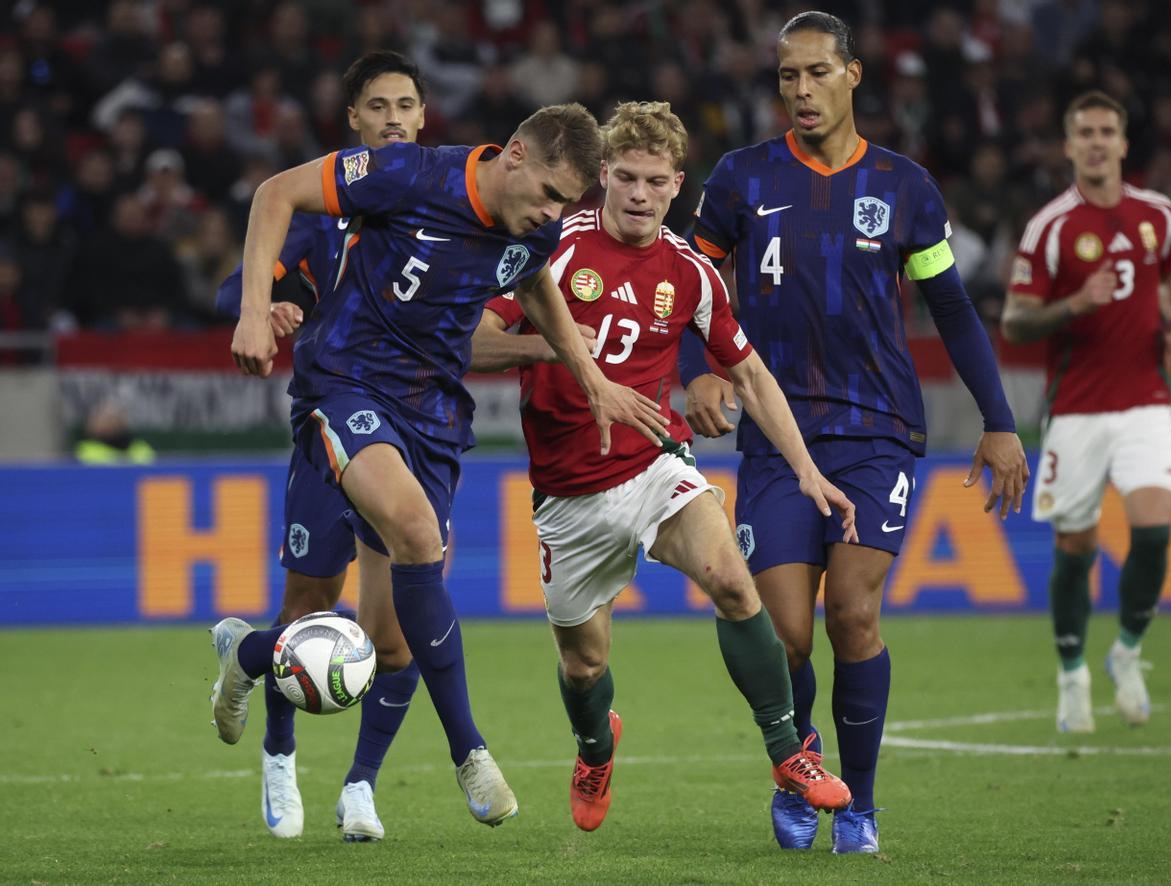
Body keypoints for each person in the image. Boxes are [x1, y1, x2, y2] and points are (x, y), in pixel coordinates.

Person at [212, 100, 671, 831]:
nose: (554, 213)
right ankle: (470, 751)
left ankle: (249, 652)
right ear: (515, 154)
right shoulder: (407, 173)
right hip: (346, 384)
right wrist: (252, 309)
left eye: (567, 203)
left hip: (434, 417)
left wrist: (591, 378)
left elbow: (534, 282)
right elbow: (277, 193)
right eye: (551, 193)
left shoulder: (532, 231)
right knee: (418, 535)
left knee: (389, 643)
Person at [679, 11, 1027, 854]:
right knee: (788, 633)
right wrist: (694, 367)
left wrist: (999, 422)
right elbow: (685, 277)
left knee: (855, 618)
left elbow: (950, 308)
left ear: (853, 76)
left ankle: (859, 807)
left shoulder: (907, 187)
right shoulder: (740, 178)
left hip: (877, 432)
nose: (800, 90)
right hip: (775, 433)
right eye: (787, 77)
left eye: (816, 74)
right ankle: (801, 769)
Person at [475, 100, 858, 836]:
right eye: (625, 178)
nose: (640, 195)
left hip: (656, 465)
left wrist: (806, 469)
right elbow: (474, 344)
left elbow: (748, 375)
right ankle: (595, 747)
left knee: (732, 580)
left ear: (677, 184)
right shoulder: (553, 246)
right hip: (566, 493)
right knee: (584, 667)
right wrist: (564, 351)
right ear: (602, 179)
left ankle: (790, 751)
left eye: (655, 181)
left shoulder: (689, 271)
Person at [214, 51, 426, 843]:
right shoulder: (319, 209)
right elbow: (251, 280)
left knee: (392, 640)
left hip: (413, 433)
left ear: (425, 116)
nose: (395, 118)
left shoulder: (446, 211)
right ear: (353, 122)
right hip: (330, 431)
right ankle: (278, 754)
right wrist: (271, 305)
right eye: (378, 106)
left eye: (406, 104)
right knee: (308, 614)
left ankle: (362, 787)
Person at [1000, 90, 1171, 734]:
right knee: (1075, 548)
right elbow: (1016, 321)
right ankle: (1071, 672)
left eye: (1108, 130)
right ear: (1070, 145)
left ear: (1124, 143)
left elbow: (1169, 280)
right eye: (1086, 132)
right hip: (1076, 410)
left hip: (1146, 402)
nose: (1099, 141)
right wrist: (1075, 304)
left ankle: (1127, 652)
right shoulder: (1050, 227)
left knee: (1155, 531)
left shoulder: (1158, 216)